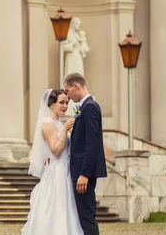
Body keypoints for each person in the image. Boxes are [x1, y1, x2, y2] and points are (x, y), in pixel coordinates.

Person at [21, 89, 84, 234]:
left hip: (66, 169)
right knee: (57, 209)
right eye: (61, 102)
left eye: (66, 103)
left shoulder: (59, 123)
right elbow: (55, 150)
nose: (65, 106)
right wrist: (65, 131)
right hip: (57, 173)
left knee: (68, 210)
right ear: (51, 104)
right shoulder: (48, 123)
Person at [65, 72, 107, 235]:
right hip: (80, 170)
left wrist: (84, 174)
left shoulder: (89, 107)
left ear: (76, 86)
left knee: (86, 216)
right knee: (82, 215)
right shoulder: (85, 106)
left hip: (83, 173)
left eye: (67, 91)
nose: (67, 96)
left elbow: (92, 143)